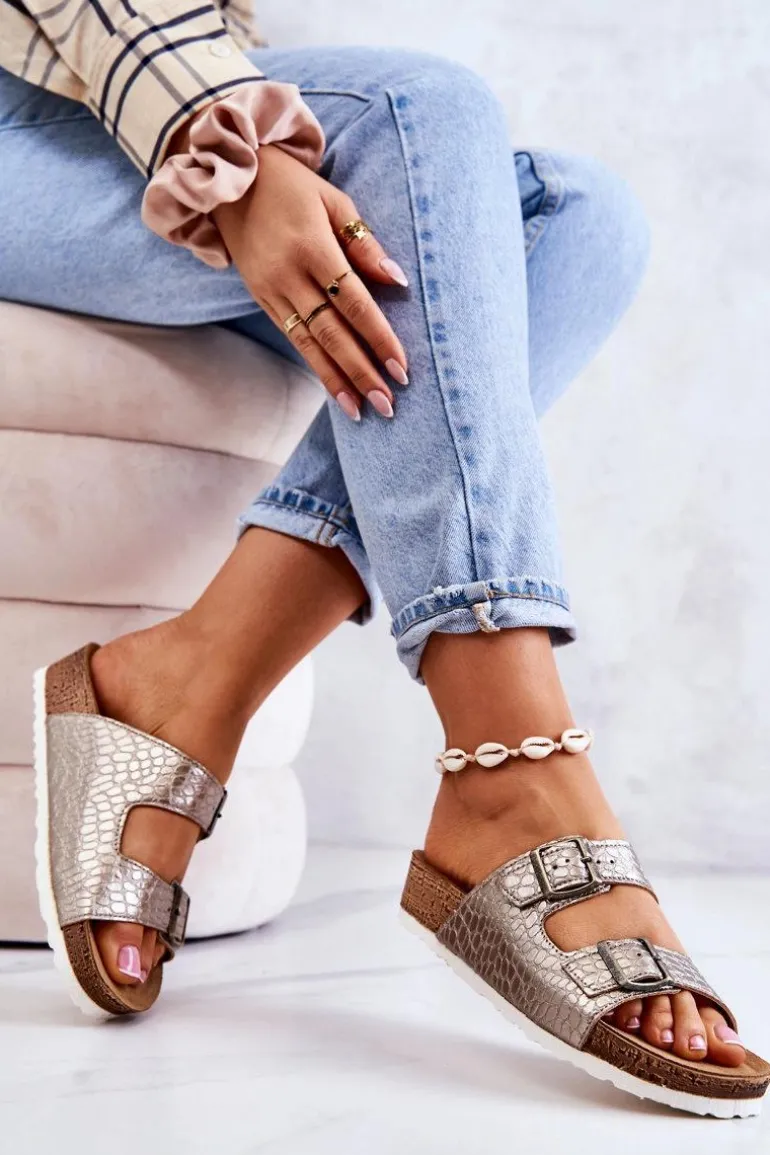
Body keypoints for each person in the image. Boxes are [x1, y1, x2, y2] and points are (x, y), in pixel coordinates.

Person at [2, 0, 767, 1116]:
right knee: (414, 111)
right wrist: (230, 147)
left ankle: (192, 675)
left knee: (578, 217)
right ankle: (511, 768)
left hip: (102, 110)